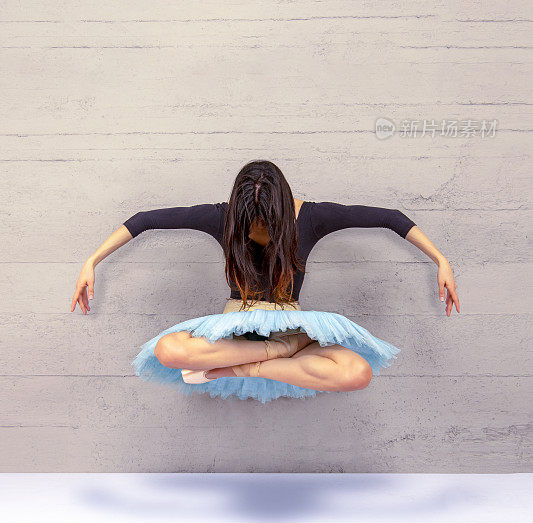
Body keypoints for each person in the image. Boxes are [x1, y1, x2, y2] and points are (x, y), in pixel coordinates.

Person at [70, 160, 460, 403]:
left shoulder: (312, 216)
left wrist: (440, 259)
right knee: (169, 351)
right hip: (236, 331)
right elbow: (144, 219)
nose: (259, 229)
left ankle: (254, 363)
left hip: (290, 327)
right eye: (251, 221)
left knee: (357, 373)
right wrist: (92, 260)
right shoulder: (222, 218)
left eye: (266, 221)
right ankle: (274, 353)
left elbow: (390, 217)